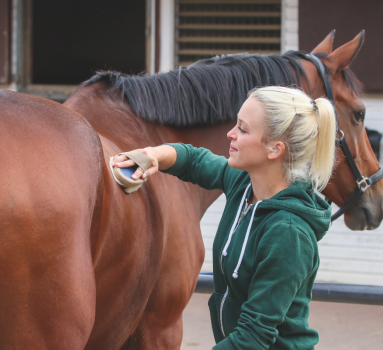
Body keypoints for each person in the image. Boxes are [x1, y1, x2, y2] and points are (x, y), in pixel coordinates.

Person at [111, 86, 336, 349]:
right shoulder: (243, 184)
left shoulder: (288, 233)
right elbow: (194, 160)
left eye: (243, 128)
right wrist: (153, 156)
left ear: (275, 149)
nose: (230, 134)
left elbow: (253, 336)